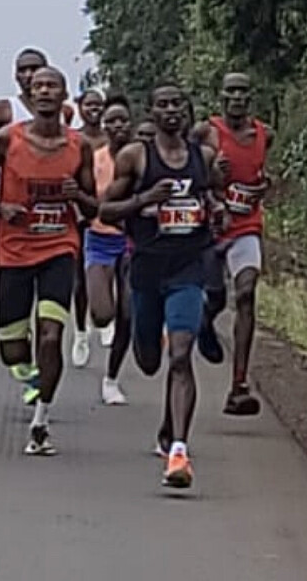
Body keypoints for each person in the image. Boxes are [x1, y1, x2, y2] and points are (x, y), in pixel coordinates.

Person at [100, 80, 224, 489]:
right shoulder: (136, 157)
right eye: (163, 105)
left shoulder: (203, 157)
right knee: (150, 360)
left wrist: (216, 210)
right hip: (147, 269)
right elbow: (106, 210)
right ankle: (170, 430)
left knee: (181, 356)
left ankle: (178, 450)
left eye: (177, 104)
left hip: (188, 266)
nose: (171, 110)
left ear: (187, 112)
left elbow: (213, 197)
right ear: (151, 114)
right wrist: (144, 199)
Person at [0, 66, 97, 456]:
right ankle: (28, 373)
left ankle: (41, 421)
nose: (43, 91)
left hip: (59, 247)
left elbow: (94, 206)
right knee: (12, 350)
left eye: (51, 86)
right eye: (38, 86)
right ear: (29, 92)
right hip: (15, 250)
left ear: (63, 95)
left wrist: (77, 196)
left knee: (51, 335)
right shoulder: (9, 138)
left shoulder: (78, 146)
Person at [192, 72, 273, 416]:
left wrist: (263, 186)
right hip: (211, 229)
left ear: (250, 97)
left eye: (243, 92)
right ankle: (205, 320)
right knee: (215, 296)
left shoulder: (264, 135)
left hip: (246, 226)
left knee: (246, 293)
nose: (237, 98)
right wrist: (212, 177)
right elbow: (185, 172)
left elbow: (258, 174)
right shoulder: (205, 132)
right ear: (221, 96)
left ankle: (239, 384)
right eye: (231, 92)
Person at [85, 94, 134, 405]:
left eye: (123, 120)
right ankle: (93, 323)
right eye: (111, 121)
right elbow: (87, 198)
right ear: (104, 126)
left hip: (131, 243)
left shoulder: (141, 157)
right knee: (103, 314)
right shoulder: (96, 159)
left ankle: (111, 379)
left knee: (128, 314)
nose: (118, 126)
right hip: (99, 240)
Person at [71, 88, 109, 368]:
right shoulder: (73, 140)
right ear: (79, 108)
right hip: (80, 215)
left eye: (98, 105)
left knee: (109, 270)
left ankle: (105, 319)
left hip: (109, 214)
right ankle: (80, 332)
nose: (94, 110)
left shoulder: (112, 139)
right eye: (89, 105)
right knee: (79, 279)